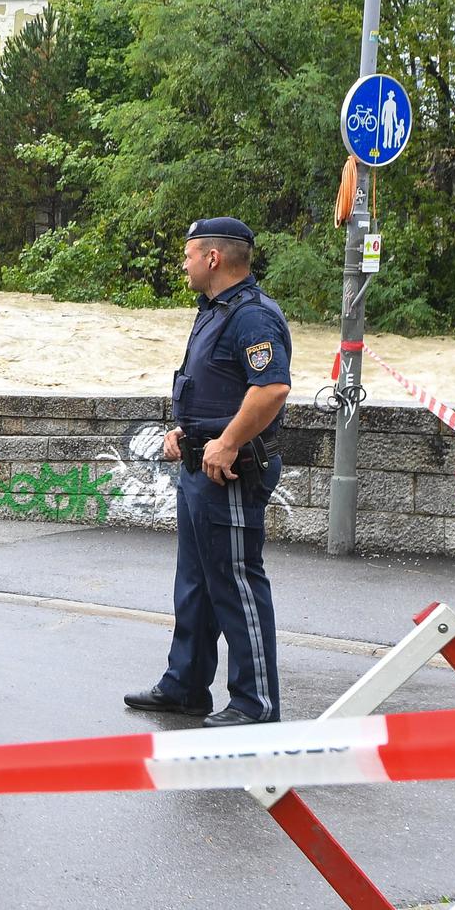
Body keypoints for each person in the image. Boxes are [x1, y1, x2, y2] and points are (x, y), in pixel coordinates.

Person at [126, 217, 291, 728]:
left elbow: (271, 390)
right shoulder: (215, 312)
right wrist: (187, 433)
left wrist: (227, 441)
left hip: (233, 471)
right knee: (196, 583)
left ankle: (255, 704)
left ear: (214, 258)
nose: (184, 262)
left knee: (237, 584)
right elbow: (218, 388)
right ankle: (186, 685)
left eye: (189, 253)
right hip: (203, 465)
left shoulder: (252, 317)